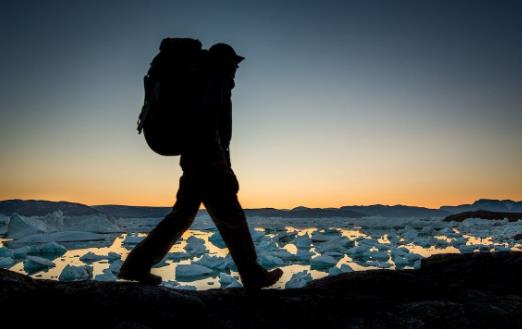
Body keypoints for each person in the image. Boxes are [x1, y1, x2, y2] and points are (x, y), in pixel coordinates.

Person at [118, 43, 283, 290]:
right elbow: (206, 120)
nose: (237, 67)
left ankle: (136, 265)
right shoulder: (215, 78)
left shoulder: (200, 78)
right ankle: (252, 274)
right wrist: (219, 162)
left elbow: (205, 122)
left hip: (194, 158)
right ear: (224, 61)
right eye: (234, 62)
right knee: (231, 216)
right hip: (206, 160)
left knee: (181, 216)